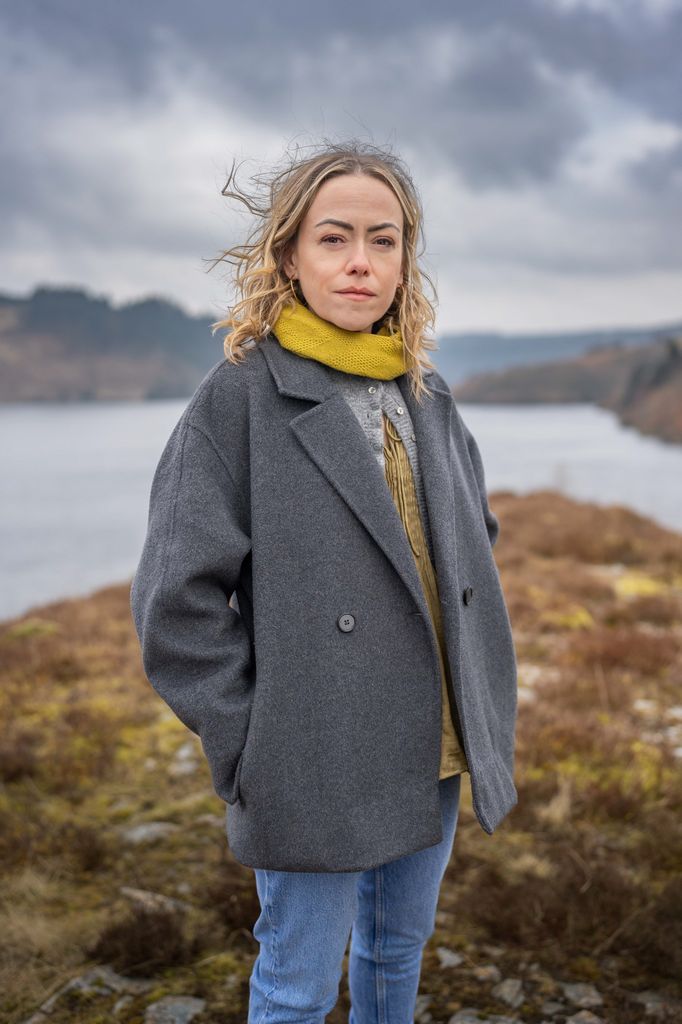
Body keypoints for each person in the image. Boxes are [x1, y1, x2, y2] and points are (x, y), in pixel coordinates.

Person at [130, 139, 518, 1024]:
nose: (359, 263)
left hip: (435, 745)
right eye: (334, 237)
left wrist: (483, 692)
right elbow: (175, 602)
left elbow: (472, 547)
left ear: (406, 259)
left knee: (396, 950)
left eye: (384, 241)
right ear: (289, 255)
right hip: (313, 755)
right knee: (297, 986)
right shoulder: (238, 400)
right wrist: (249, 742)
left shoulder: (428, 392)